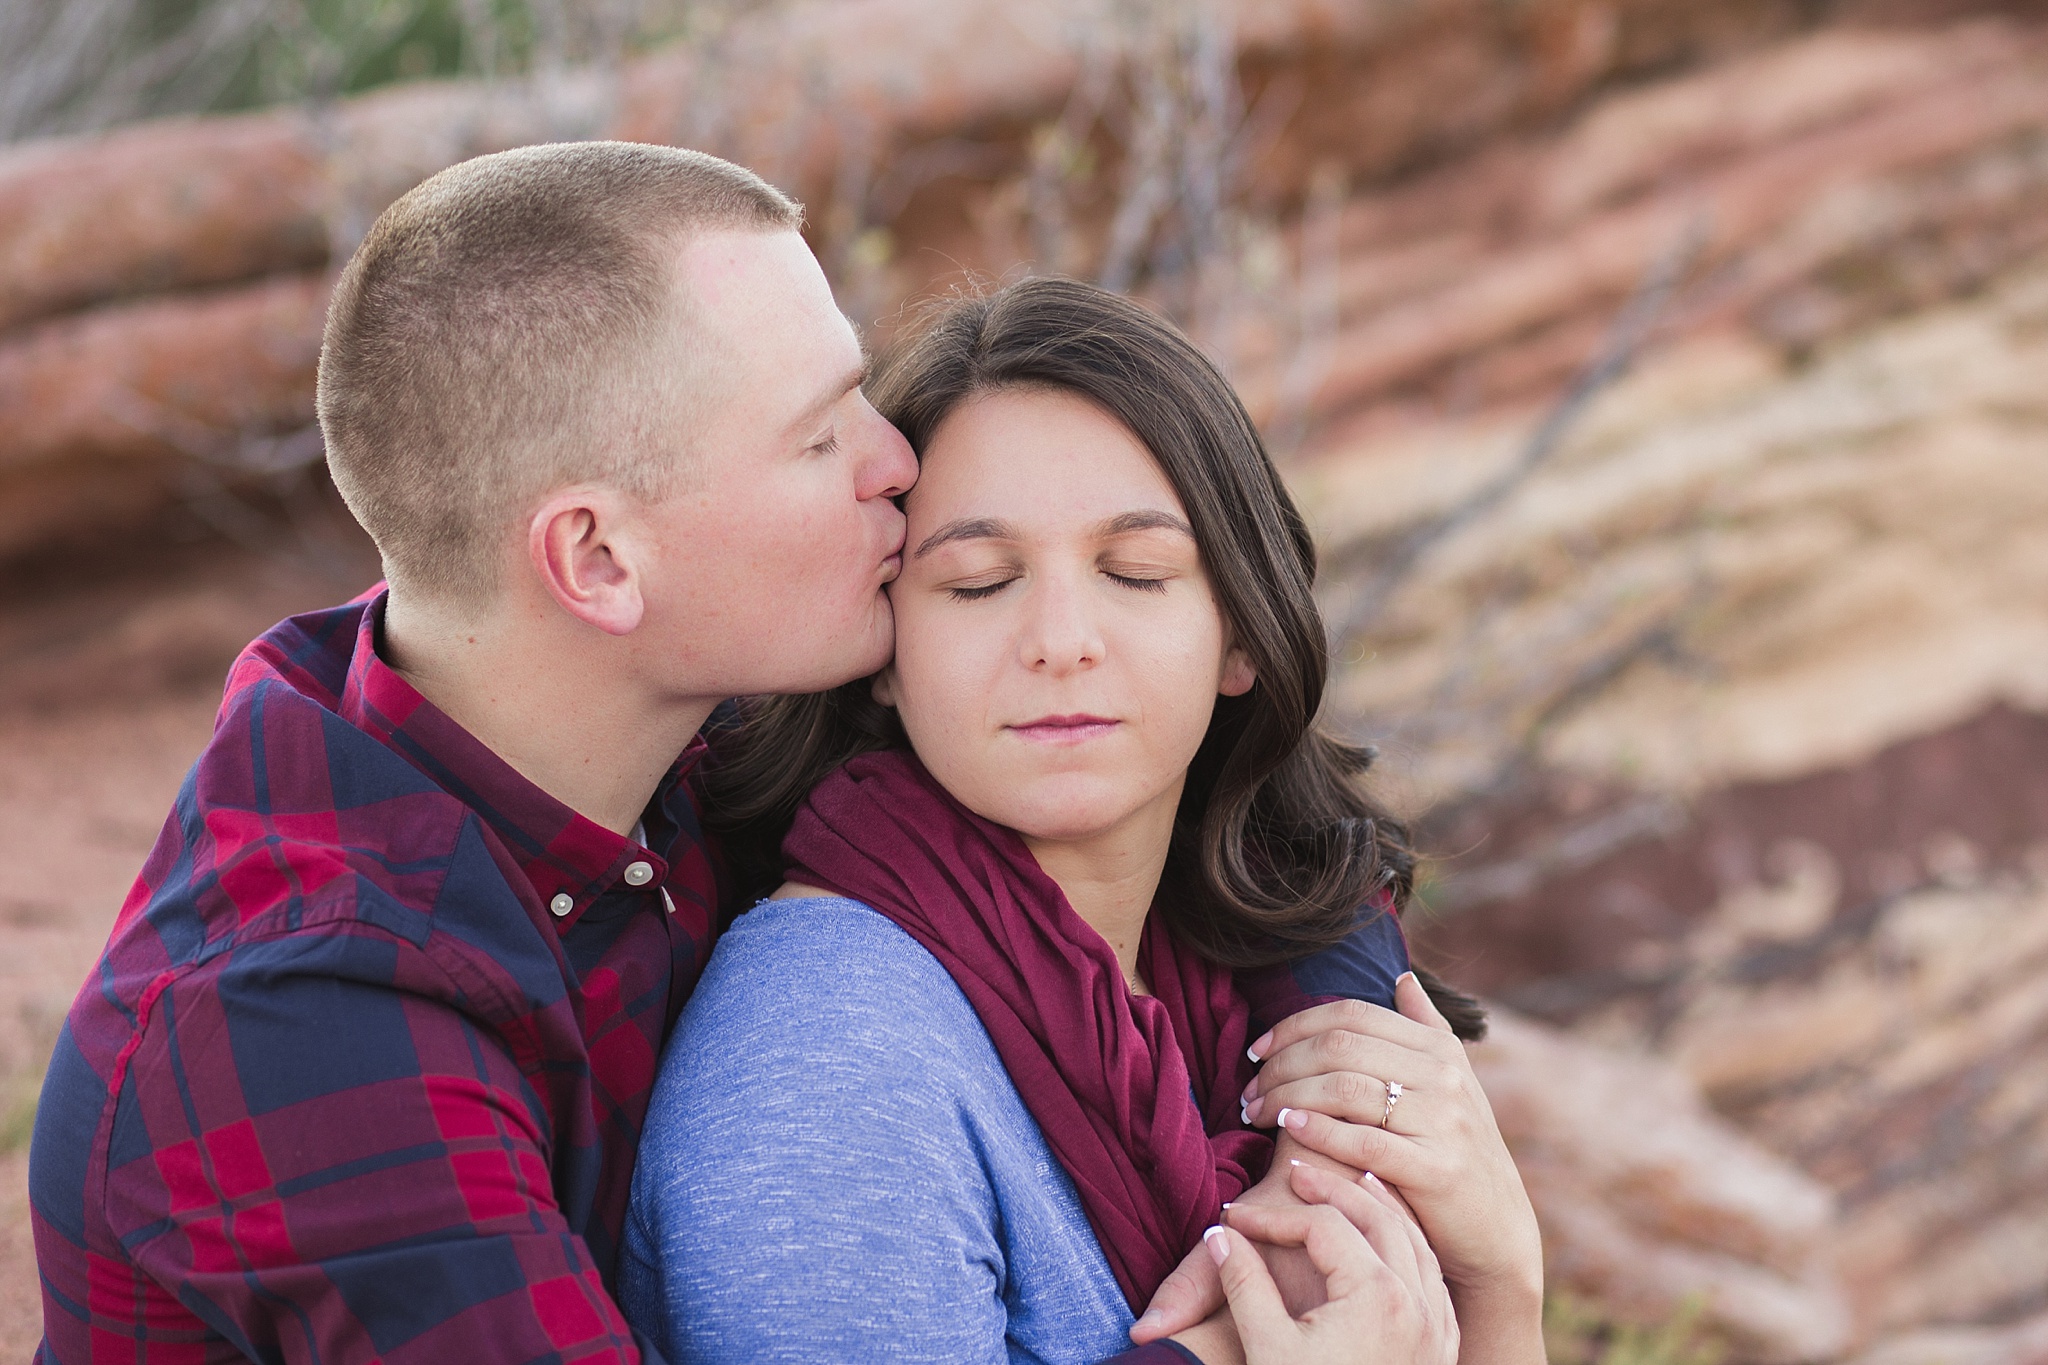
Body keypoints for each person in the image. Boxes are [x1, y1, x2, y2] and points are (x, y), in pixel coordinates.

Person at [26, 142, 1496, 1364]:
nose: (895, 462)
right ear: (596, 560)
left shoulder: (632, 714)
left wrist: (1331, 1132)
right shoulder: (300, 1034)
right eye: (816, 438)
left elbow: (1226, 805)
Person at [620, 279, 1544, 1364]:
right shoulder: (829, 1051)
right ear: (881, 651)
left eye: (1134, 572)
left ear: (1239, 637)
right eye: (976, 582)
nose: (1060, 639)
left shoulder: (1241, 982)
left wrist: (1497, 1288)